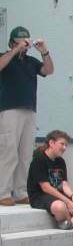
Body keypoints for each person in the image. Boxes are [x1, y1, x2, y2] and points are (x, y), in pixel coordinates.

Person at [0, 26, 54, 206]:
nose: (25, 44)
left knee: (24, 154)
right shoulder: (5, 57)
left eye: (26, 41)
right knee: (8, 152)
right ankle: (3, 193)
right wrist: (15, 50)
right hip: (9, 110)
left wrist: (44, 51)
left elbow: (48, 70)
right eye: (20, 41)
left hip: (29, 110)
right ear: (12, 42)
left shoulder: (31, 61)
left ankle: (20, 192)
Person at [27, 130, 73, 229]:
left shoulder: (60, 161)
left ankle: (70, 223)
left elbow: (64, 184)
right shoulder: (39, 160)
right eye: (62, 144)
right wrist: (67, 202)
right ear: (51, 143)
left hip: (59, 195)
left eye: (66, 145)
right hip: (40, 196)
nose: (64, 148)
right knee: (60, 207)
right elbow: (45, 188)